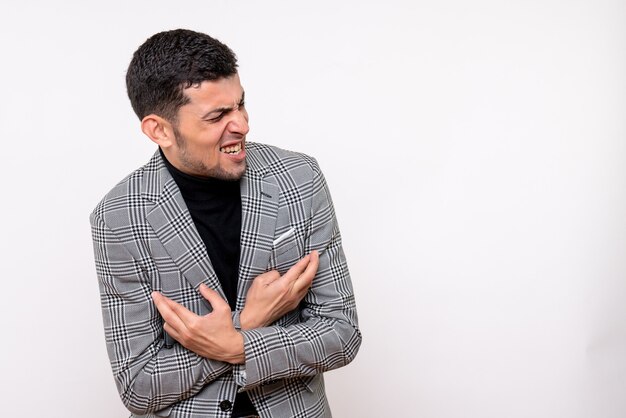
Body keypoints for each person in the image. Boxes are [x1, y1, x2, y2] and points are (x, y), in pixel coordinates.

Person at [90, 28, 361, 418]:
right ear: (159, 130)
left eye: (240, 104)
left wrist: (237, 344)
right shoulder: (118, 218)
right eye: (218, 115)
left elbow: (341, 333)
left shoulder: (299, 178)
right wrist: (250, 321)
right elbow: (139, 385)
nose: (242, 125)